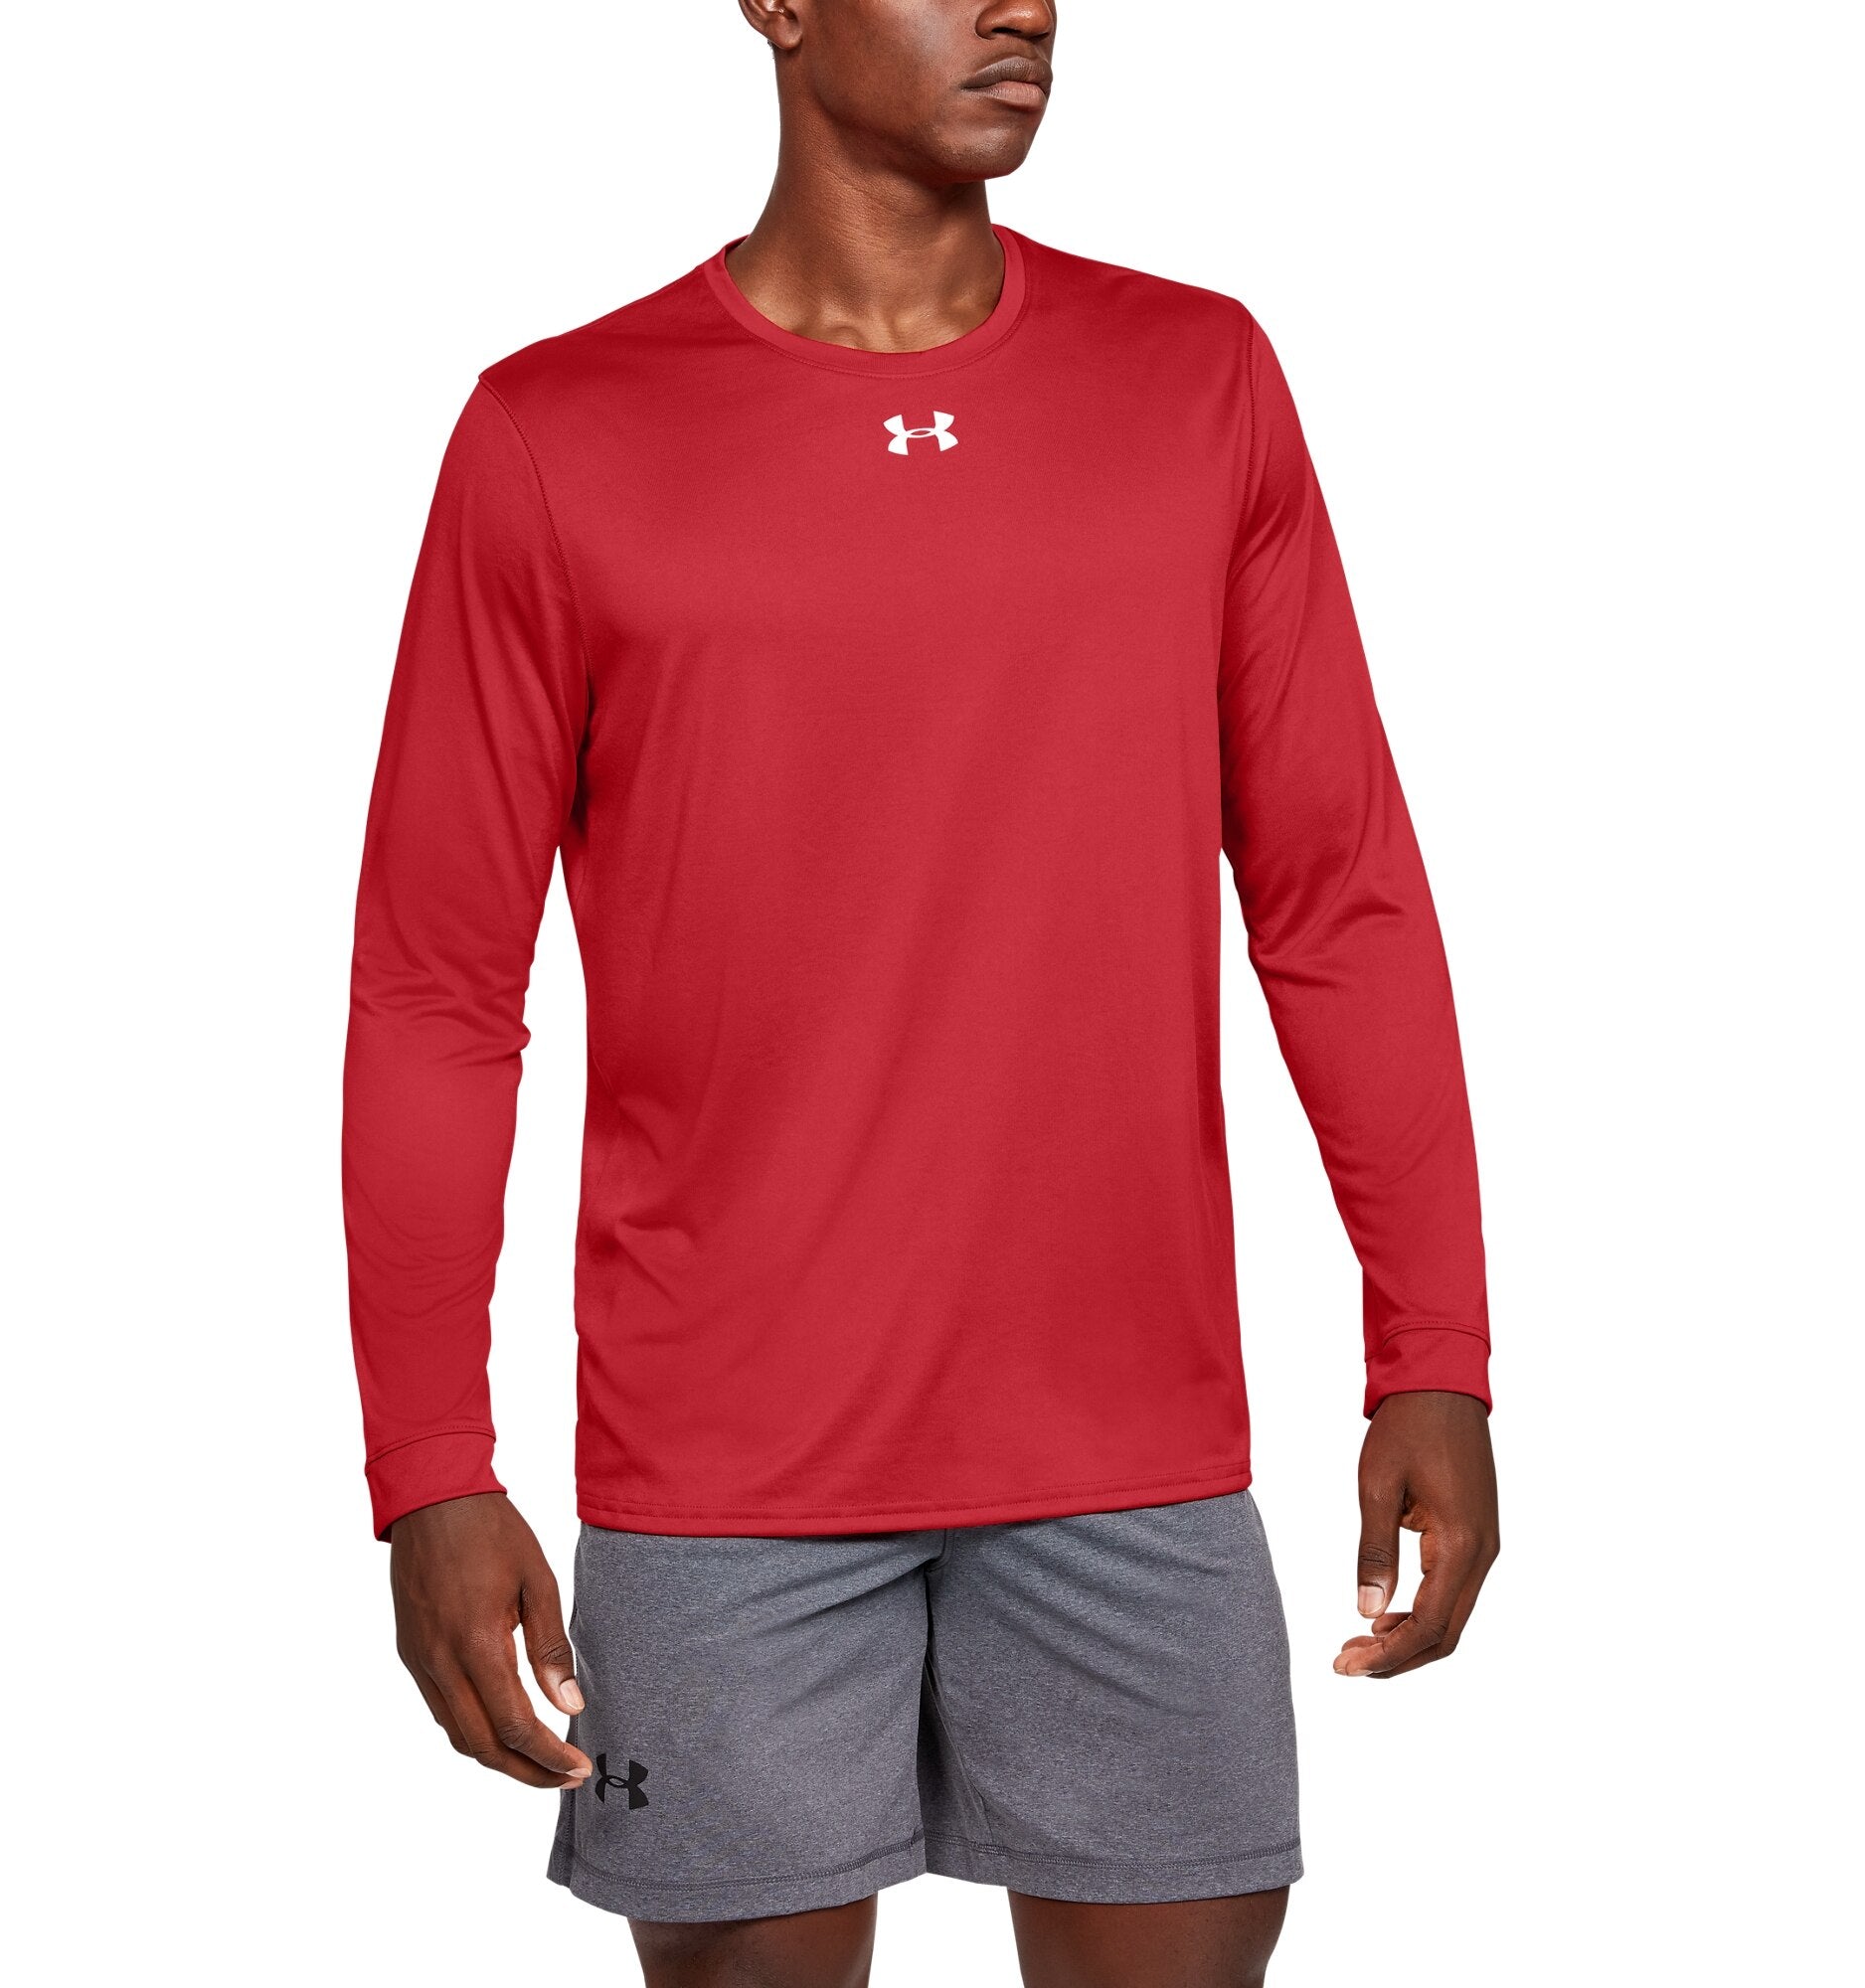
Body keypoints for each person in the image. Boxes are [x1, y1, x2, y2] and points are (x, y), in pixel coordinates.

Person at [343, 2, 1499, 1981]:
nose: (1022, 7)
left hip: (1135, 1454)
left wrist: (1435, 1352)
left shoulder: (1194, 379)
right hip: (725, 1487)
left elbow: (1342, 899)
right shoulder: (560, 430)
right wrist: (430, 1469)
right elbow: (438, 985)